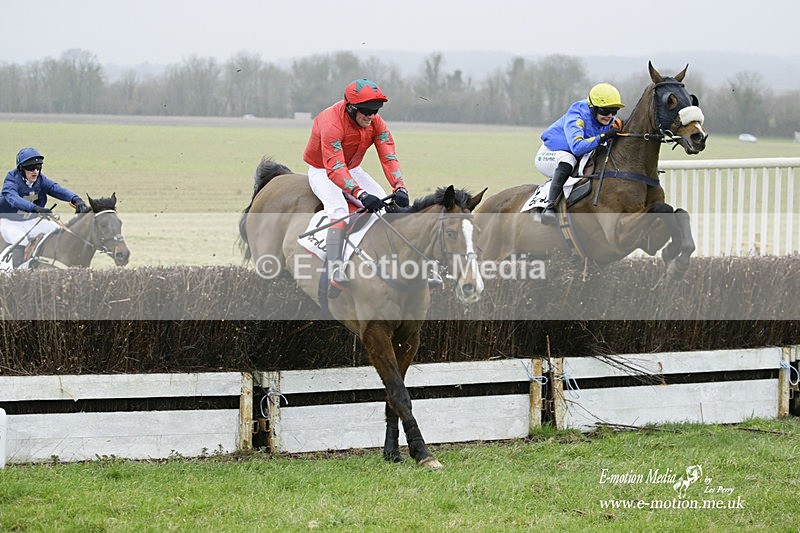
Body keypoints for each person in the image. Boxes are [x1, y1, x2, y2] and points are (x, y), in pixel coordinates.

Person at [303, 78, 410, 293]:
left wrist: (400, 187)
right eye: (366, 111)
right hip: (323, 170)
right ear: (351, 108)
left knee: (382, 202)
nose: (371, 116)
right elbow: (334, 168)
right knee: (339, 209)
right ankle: (335, 269)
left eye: (375, 111)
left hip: (352, 169)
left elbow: (388, 156)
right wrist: (360, 194)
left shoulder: (376, 122)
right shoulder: (331, 123)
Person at [535, 82, 625, 226]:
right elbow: (576, 147)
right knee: (568, 159)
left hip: (578, 154)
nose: (609, 116)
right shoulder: (577, 115)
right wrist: (603, 137)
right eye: (605, 111)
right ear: (593, 108)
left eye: (614, 111)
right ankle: (550, 206)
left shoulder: (607, 117)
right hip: (549, 154)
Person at [0, 147, 89, 268]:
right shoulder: (11, 180)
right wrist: (36, 208)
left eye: (38, 168)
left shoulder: (41, 180)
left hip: (29, 221)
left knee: (58, 231)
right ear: (21, 169)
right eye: (31, 168)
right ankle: (18, 275)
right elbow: (13, 199)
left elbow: (55, 189)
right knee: (21, 239)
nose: (35, 172)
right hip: (9, 222)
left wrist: (75, 199)